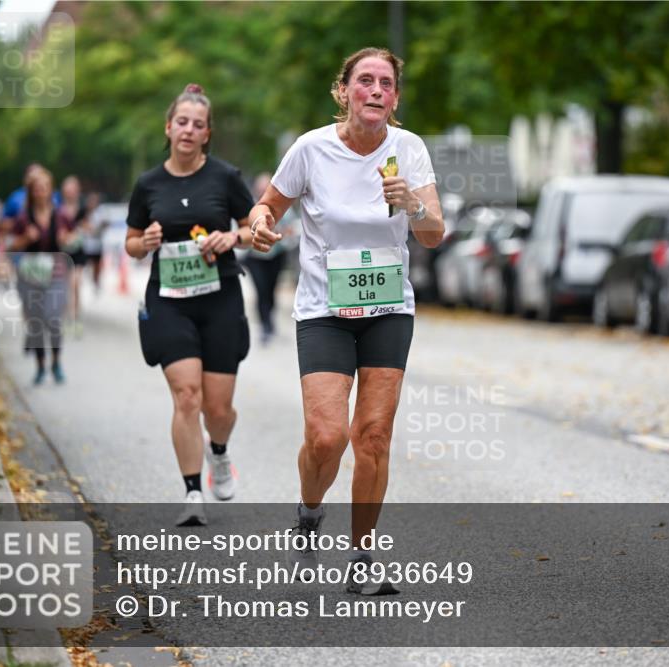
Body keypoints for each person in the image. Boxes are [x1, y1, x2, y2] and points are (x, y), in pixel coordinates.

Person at [249, 47, 444, 593]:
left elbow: (433, 233)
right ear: (344, 91)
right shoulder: (311, 149)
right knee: (327, 437)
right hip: (325, 311)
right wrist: (261, 224)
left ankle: (362, 559)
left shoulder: (410, 150)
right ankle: (309, 510)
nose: (376, 90)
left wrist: (413, 204)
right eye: (365, 81)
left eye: (386, 83)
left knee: (374, 436)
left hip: (387, 310)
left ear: (396, 98)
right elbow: (266, 207)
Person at [125, 84, 255, 526]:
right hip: (169, 301)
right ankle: (193, 491)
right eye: (182, 122)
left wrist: (233, 237)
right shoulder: (148, 184)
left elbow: (256, 230)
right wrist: (144, 241)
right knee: (187, 396)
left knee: (217, 409)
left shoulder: (225, 177)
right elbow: (130, 243)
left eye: (198, 125)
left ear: (207, 134)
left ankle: (219, 452)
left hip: (219, 298)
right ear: (168, 127)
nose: (188, 129)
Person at [10, 167, 75, 385]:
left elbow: (73, 238)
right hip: (31, 274)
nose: (41, 192)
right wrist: (26, 238)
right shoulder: (23, 217)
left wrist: (66, 238)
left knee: (54, 319)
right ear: (31, 192)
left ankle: (56, 361)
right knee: (37, 322)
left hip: (56, 272)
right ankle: (40, 366)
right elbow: (13, 245)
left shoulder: (61, 215)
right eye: (36, 189)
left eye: (44, 188)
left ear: (50, 190)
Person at [240, 172, 293, 345]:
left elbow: (291, 228)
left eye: (266, 187)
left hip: (276, 255)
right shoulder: (249, 205)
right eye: (260, 187)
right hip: (255, 257)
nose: (263, 190)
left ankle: (270, 321)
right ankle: (265, 326)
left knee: (270, 291)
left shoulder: (284, 206)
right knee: (261, 290)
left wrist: (281, 234)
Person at [59, 175, 88, 333]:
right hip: (63, 252)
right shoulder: (58, 208)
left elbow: (87, 226)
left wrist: (80, 231)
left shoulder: (82, 208)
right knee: (65, 285)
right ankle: (66, 314)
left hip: (78, 251)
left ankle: (75, 316)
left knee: (75, 283)